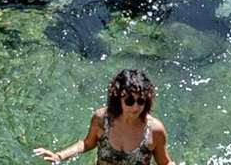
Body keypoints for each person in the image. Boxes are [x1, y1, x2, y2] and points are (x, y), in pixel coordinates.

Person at [38, 68, 170, 164]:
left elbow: (165, 162)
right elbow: (87, 143)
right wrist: (59, 156)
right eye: (129, 101)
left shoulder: (155, 130)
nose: (136, 107)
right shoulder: (102, 119)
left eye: (141, 101)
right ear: (118, 99)